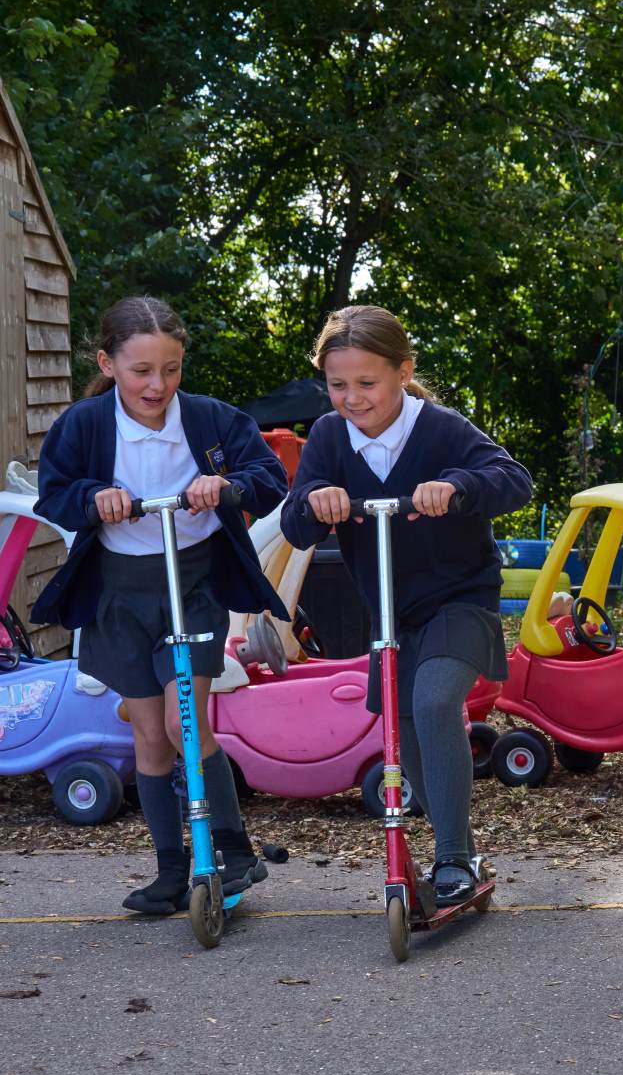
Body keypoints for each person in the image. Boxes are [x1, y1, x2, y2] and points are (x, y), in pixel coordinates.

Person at [33, 296, 290, 913]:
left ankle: (233, 850)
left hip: (193, 581)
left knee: (184, 723)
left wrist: (226, 486)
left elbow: (268, 478)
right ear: (108, 364)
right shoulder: (86, 425)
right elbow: (54, 493)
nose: (157, 385)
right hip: (119, 591)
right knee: (149, 735)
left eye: (170, 370)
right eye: (142, 370)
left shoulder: (211, 420)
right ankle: (172, 868)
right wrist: (94, 497)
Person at [281, 305, 532, 904]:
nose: (352, 398)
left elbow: (513, 480)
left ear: (404, 371)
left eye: (367, 383)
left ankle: (452, 858)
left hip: (460, 598)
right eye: (338, 385)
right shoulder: (328, 437)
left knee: (434, 699)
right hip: (390, 614)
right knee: (408, 727)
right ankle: (457, 846)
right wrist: (315, 500)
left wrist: (458, 486)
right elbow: (294, 524)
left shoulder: (440, 429)